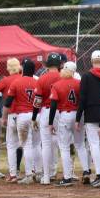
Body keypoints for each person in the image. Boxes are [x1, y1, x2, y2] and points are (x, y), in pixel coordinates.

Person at [76, 52, 100, 187]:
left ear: (92, 61)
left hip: (91, 113)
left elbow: (82, 98)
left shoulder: (86, 76)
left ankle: (99, 174)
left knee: (94, 145)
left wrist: (78, 117)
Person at [48, 61, 88, 186]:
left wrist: (50, 123)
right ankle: (86, 171)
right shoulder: (79, 83)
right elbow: (83, 100)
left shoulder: (57, 85)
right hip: (78, 115)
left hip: (65, 115)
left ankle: (67, 177)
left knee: (64, 147)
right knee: (80, 145)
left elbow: (53, 105)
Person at [6, 59, 41, 184]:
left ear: (23, 69)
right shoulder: (38, 82)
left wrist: (4, 117)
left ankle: (28, 175)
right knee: (37, 145)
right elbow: (39, 100)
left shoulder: (17, 81)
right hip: (36, 115)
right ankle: (38, 173)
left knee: (26, 145)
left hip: (22, 116)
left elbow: (8, 102)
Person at [35, 53, 63, 184]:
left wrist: (34, 116)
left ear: (47, 64)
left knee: (45, 144)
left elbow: (37, 100)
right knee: (60, 143)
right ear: (60, 65)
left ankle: (46, 176)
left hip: (46, 111)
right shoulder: (64, 77)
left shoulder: (42, 78)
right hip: (62, 112)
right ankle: (62, 173)